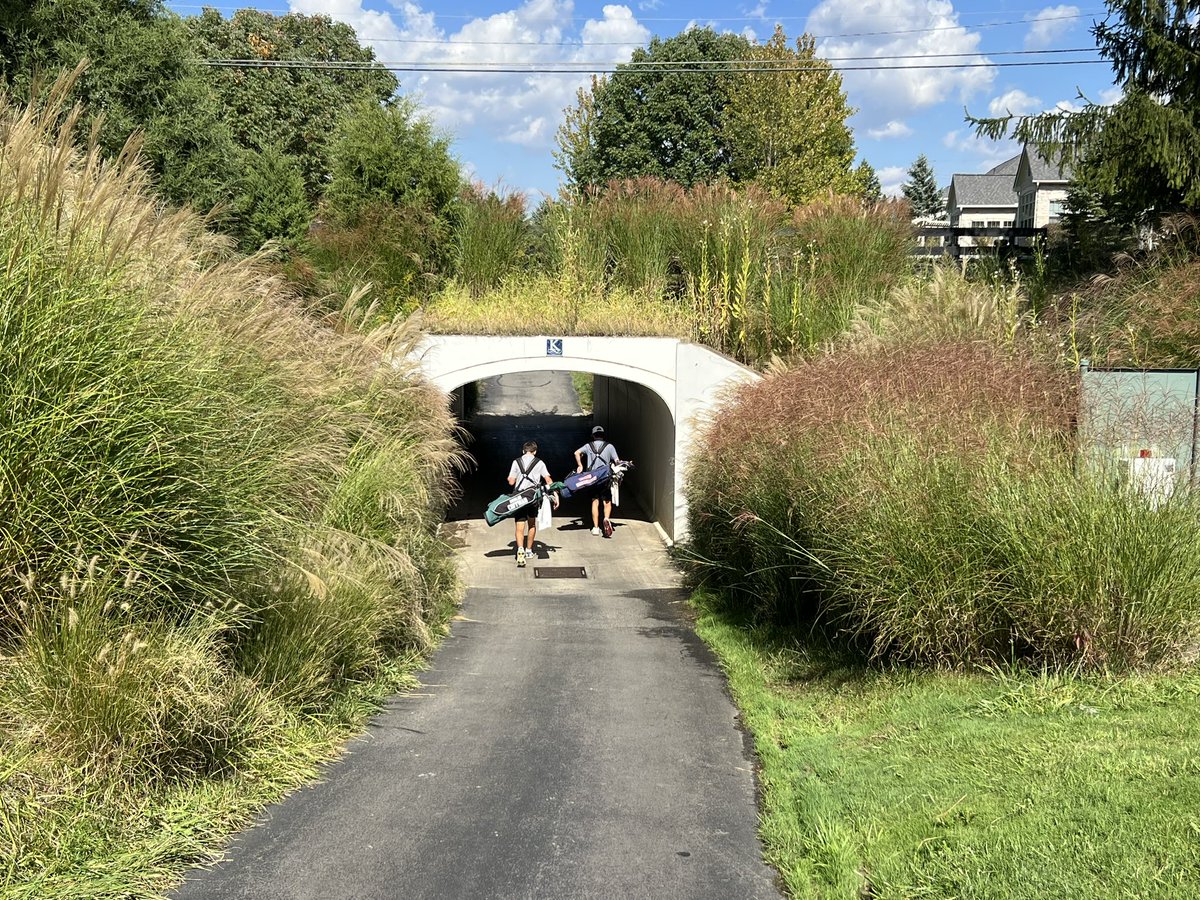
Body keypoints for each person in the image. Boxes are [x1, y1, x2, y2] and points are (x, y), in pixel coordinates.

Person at [508, 440, 557, 567]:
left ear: (523, 451)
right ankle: (529, 550)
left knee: (519, 526)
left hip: (519, 498)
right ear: (535, 451)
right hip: (533, 498)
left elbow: (511, 482)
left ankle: (520, 549)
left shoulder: (516, 462)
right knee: (532, 524)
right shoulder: (539, 462)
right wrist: (555, 494)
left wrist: (513, 477)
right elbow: (548, 480)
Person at [573, 425, 621, 537]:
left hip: (592, 477)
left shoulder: (588, 446)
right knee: (607, 502)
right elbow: (617, 461)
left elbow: (576, 452)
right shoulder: (610, 446)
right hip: (606, 477)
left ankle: (595, 528)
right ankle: (606, 518)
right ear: (603, 435)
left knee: (595, 502)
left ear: (593, 435)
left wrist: (580, 465)